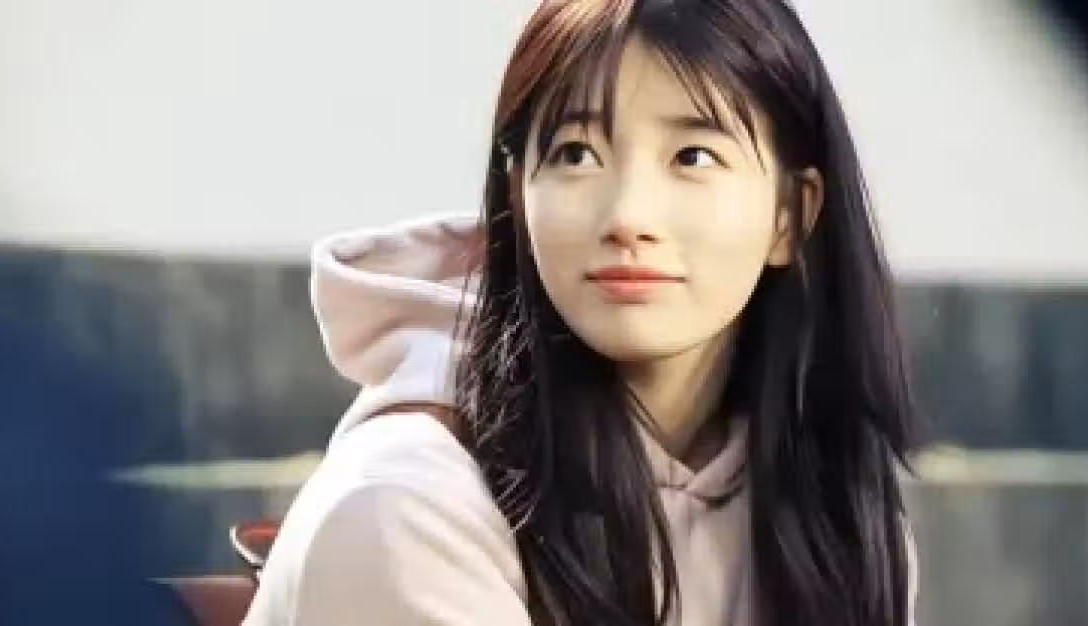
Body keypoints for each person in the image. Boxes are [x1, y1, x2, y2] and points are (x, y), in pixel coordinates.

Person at [244, 0, 921, 624]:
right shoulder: (404, 510)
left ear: (790, 215)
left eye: (692, 156)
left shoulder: (839, 521)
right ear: (518, 193)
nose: (627, 215)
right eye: (576, 153)